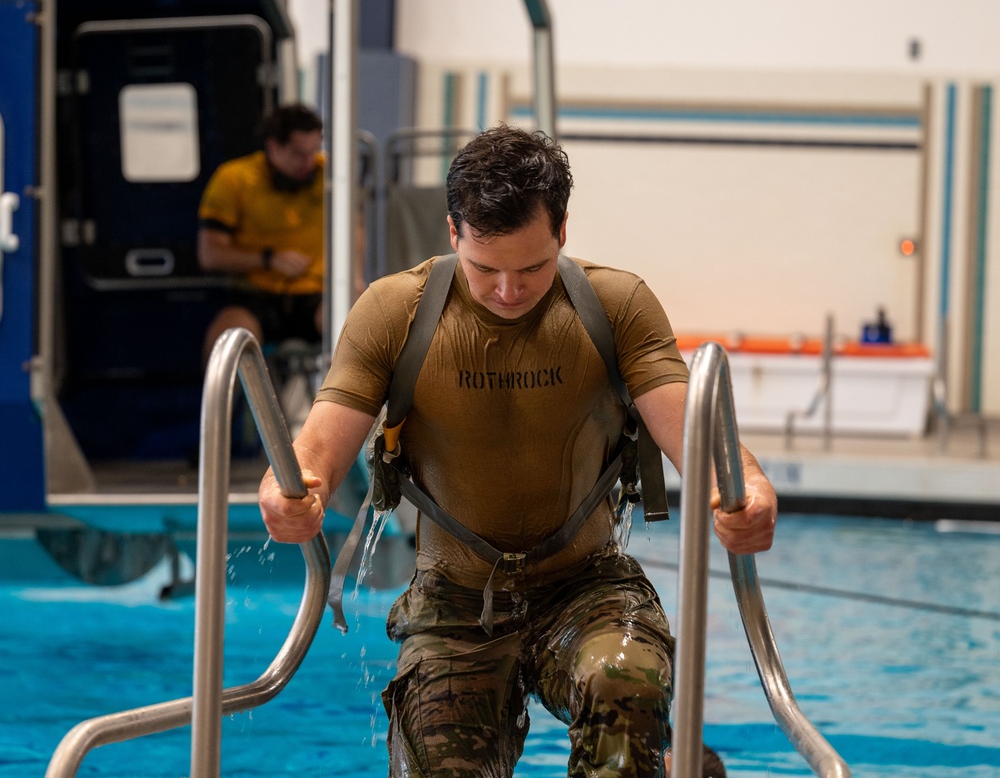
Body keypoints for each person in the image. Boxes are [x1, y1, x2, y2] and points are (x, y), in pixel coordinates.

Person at [258, 124, 778, 778]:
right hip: (454, 600)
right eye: (484, 268)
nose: (507, 290)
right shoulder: (396, 312)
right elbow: (319, 444)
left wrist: (742, 488)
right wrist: (293, 488)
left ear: (562, 230)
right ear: (453, 233)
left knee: (627, 677)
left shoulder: (615, 307)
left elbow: (698, 437)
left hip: (586, 585)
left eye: (531, 268)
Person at [197, 103, 326, 361]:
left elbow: (355, 224)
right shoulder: (234, 179)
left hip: (314, 294)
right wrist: (268, 259)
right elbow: (210, 255)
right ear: (273, 147)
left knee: (358, 327)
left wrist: (355, 276)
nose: (309, 162)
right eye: (299, 154)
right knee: (225, 343)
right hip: (256, 295)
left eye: (314, 151)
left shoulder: (330, 175)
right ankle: (222, 400)